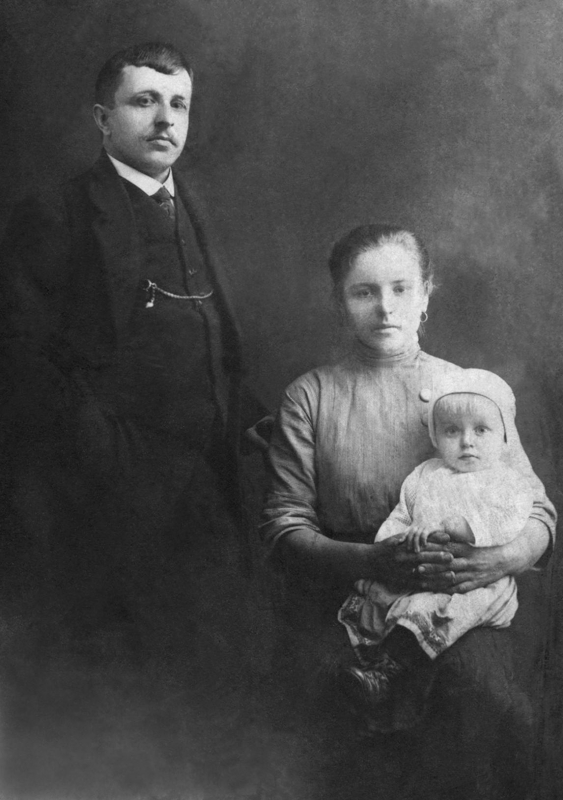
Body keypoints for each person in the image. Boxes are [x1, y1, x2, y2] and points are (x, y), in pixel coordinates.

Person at [260, 223, 555, 799]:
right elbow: (283, 526)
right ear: (339, 302)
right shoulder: (311, 395)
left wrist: (498, 560)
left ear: (425, 295)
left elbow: (537, 509)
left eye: (401, 288)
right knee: (327, 724)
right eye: (363, 292)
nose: (385, 307)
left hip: (459, 594)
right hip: (344, 593)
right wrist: (371, 559)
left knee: (484, 707)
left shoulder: (466, 389)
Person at [0, 42, 264, 675]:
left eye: (179, 104)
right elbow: (19, 358)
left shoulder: (199, 205)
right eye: (144, 101)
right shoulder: (56, 213)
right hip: (107, 491)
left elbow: (216, 340)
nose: (166, 119)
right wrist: (100, 444)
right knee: (122, 672)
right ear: (102, 118)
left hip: (209, 482)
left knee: (221, 659)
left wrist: (250, 419)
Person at [337, 369, 537, 716]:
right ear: (435, 436)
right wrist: (394, 541)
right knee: (378, 596)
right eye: (452, 431)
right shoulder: (425, 474)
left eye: (481, 430)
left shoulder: (506, 481)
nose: (466, 441)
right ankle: (373, 666)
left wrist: (454, 526)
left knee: (429, 611)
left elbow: (507, 521)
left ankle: (386, 673)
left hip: (476, 583)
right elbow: (403, 514)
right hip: (422, 571)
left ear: (504, 434)